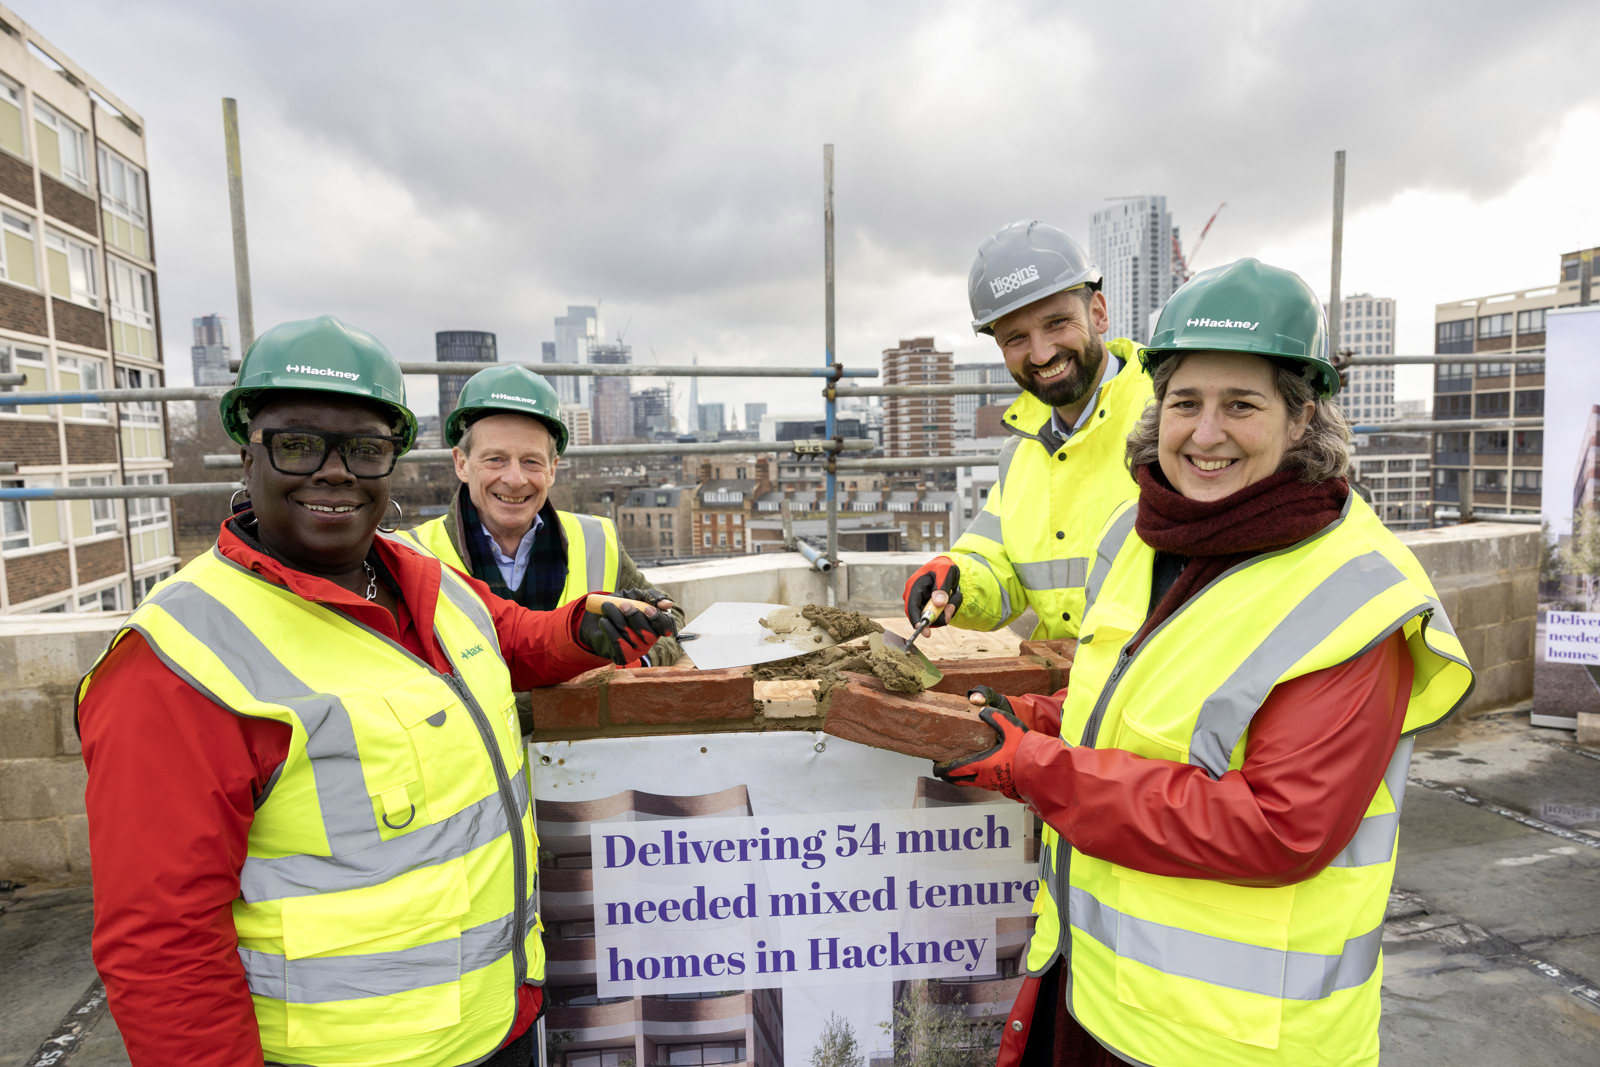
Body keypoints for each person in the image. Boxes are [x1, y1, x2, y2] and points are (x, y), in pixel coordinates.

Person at [77, 316, 675, 1067]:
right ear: (247, 453)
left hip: (501, 1021)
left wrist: (580, 629)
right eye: (298, 445)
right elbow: (163, 947)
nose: (335, 473)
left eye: (364, 449)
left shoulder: (423, 581)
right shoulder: (178, 662)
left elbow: (509, 636)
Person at [930, 260, 1475, 1067]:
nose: (1206, 433)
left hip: (1234, 1040)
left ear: (1302, 417)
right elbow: (1128, 705)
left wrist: (1038, 767)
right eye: (1185, 402)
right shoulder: (1143, 537)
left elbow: (1277, 827)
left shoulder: (1350, 592)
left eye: (1241, 405)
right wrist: (1029, 721)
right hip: (1099, 995)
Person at [902, 221, 1151, 641]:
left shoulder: (1170, 416)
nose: (1041, 353)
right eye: (1016, 338)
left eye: (1056, 323)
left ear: (1098, 313)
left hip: (1162, 674)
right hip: (1070, 675)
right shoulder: (1021, 452)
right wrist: (956, 581)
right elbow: (1000, 566)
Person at [396, 364, 685, 667]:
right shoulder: (413, 554)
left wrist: (637, 662)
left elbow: (669, 620)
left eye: (531, 461)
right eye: (495, 459)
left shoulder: (596, 541)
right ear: (461, 464)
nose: (515, 479)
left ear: (552, 469)